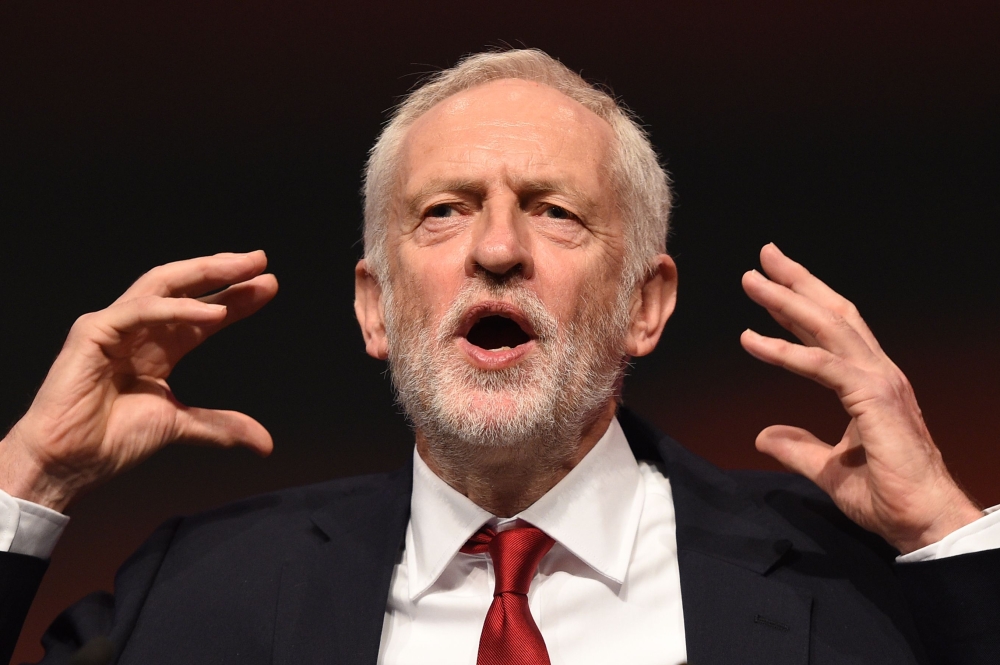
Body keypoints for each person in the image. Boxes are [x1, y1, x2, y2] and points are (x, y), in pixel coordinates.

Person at [1, 49, 998, 665]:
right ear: (375, 308)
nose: (497, 248)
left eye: (555, 211)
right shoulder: (200, 587)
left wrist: (945, 532)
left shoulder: (856, 580)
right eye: (444, 210)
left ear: (644, 305)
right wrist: (28, 475)